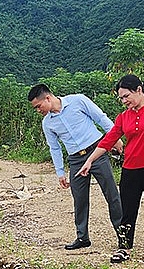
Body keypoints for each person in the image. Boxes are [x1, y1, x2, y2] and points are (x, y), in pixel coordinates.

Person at [78, 74, 144, 264]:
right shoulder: (124, 116)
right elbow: (108, 140)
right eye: (121, 98)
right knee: (127, 210)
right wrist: (89, 161)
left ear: (138, 90)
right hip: (130, 168)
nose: (123, 101)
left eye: (126, 96)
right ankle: (124, 247)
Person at [27, 84, 123, 250]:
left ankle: (123, 235)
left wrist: (114, 138)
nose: (38, 110)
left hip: (96, 151)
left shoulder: (78, 101)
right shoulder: (47, 124)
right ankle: (82, 237)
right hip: (75, 159)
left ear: (48, 98)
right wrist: (60, 172)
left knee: (111, 194)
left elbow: (100, 117)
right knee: (79, 199)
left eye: (38, 106)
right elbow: (54, 148)